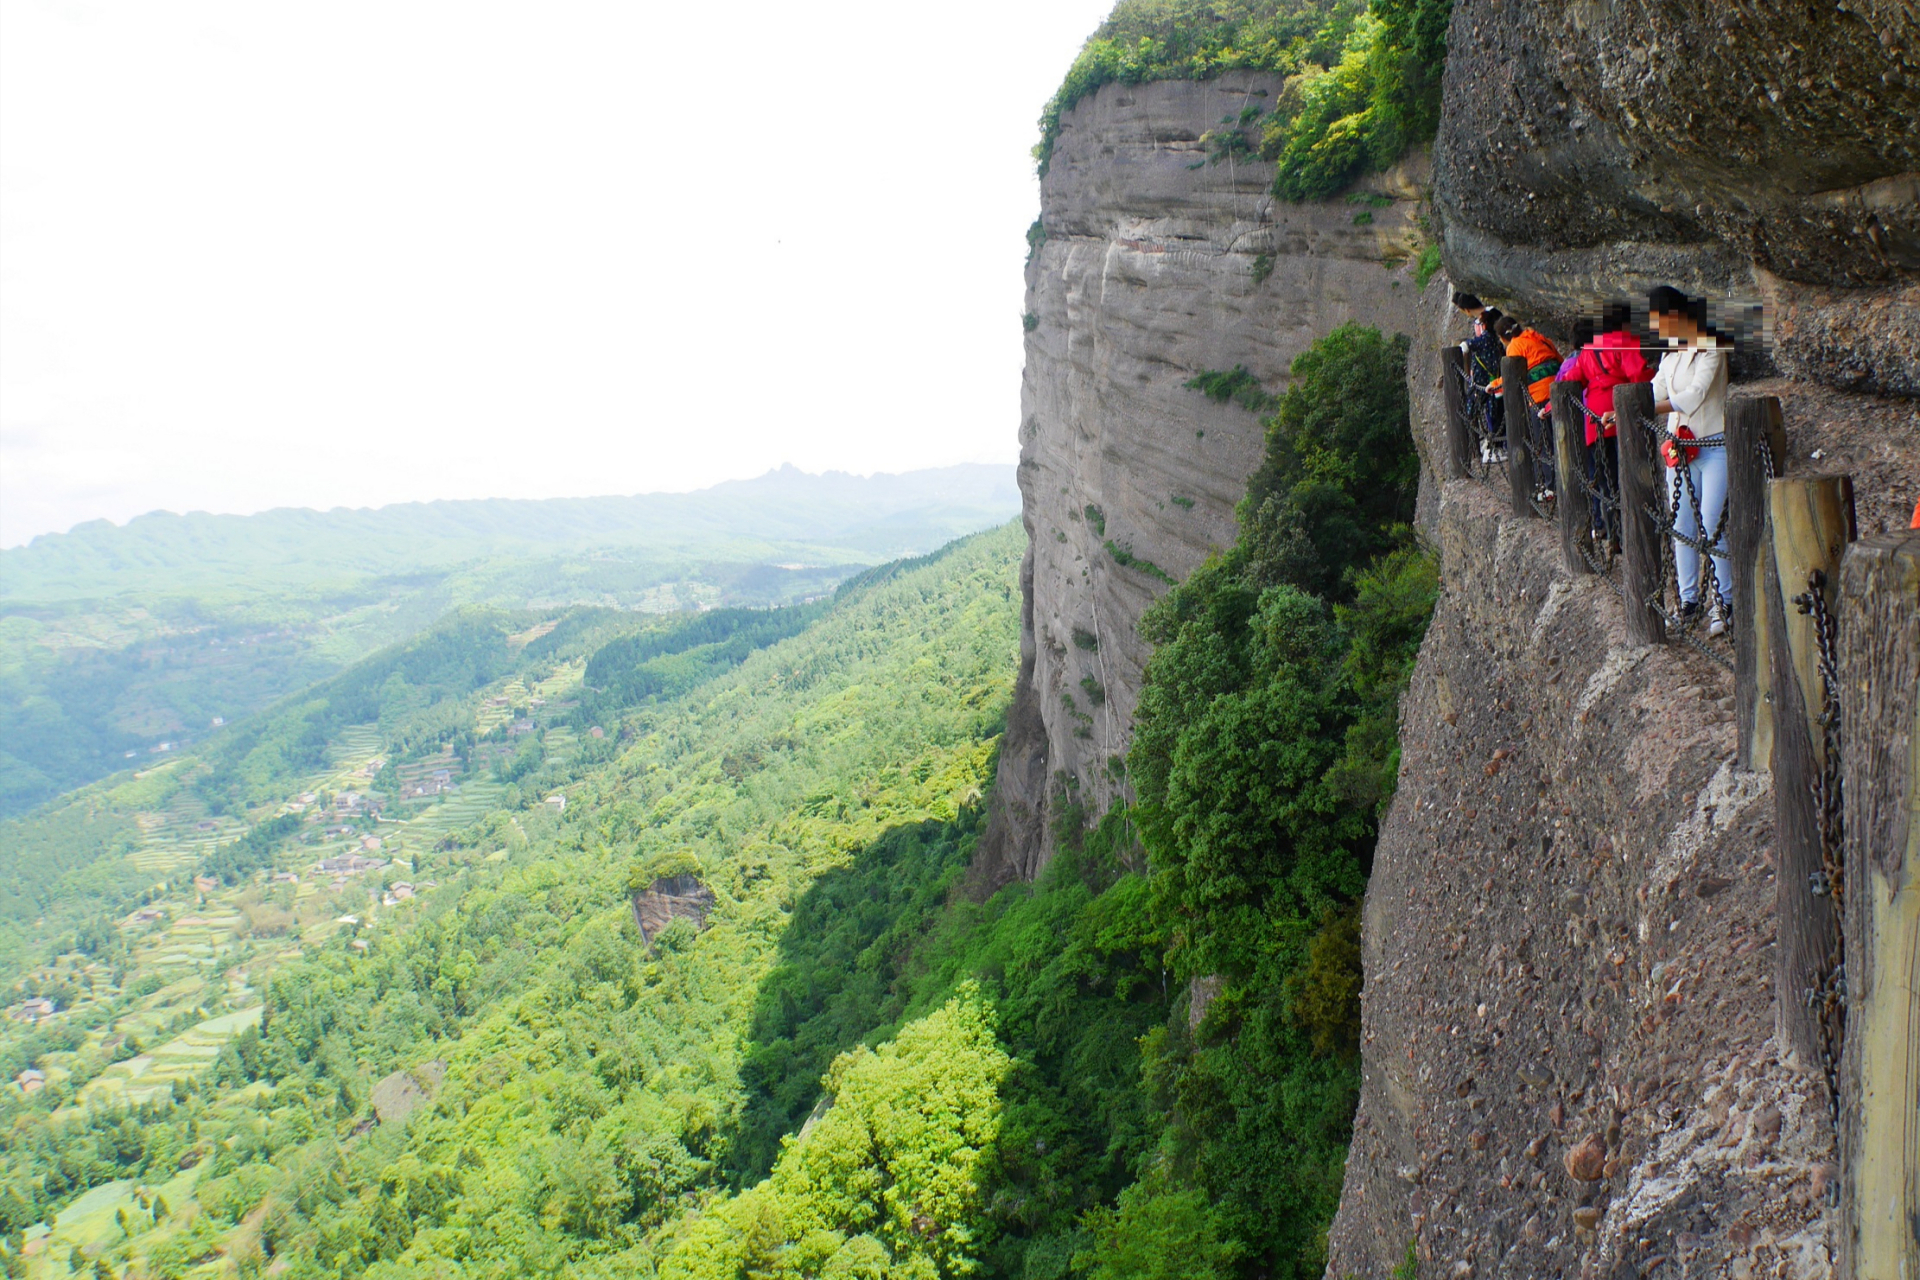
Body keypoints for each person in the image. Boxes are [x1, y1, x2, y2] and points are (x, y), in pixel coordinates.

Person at [1646, 285, 1733, 635]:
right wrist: (1618, 407)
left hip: (1714, 447)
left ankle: (1723, 603)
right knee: (1681, 528)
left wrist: (1647, 407)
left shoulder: (1711, 348)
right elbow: (1653, 390)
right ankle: (1689, 602)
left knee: (1712, 527)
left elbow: (1694, 395)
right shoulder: (1670, 358)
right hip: (1679, 451)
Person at [1577, 302, 1655, 551]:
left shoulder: (1589, 349)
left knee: (1607, 483)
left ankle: (1615, 536)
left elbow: (1571, 379)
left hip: (1594, 423)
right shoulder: (1625, 341)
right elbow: (1639, 378)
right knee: (1631, 477)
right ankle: (1638, 536)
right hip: (1621, 417)